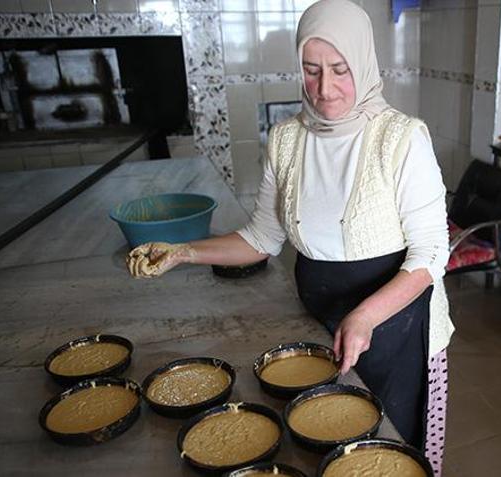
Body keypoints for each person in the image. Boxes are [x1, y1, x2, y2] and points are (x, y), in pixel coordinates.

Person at [125, 0, 453, 473]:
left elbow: (430, 254)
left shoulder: (401, 139)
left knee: (392, 455)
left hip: (399, 328)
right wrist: (184, 252)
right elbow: (262, 237)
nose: (325, 89)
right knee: (323, 450)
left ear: (362, 62)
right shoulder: (287, 139)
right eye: (311, 70)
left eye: (340, 69)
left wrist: (364, 317)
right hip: (319, 322)